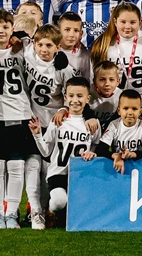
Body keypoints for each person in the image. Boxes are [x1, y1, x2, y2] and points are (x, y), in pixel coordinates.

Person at [0, 9, 37, 230]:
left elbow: (33, 36)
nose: (1, 31)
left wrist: (20, 36)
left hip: (20, 115)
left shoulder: (23, 48)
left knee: (16, 167)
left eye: (5, 27)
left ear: (12, 29)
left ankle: (12, 213)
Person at [23, 23, 75, 228]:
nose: (44, 49)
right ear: (34, 44)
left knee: (47, 171)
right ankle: (35, 211)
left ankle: (46, 210)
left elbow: (73, 94)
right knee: (32, 166)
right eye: (40, 45)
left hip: (53, 124)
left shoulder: (64, 69)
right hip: (31, 120)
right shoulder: (28, 53)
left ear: (58, 47)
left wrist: (64, 108)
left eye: (49, 45)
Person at [29, 76, 95, 229]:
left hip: (80, 174)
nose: (75, 100)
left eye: (80, 96)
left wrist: (92, 153)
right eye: (71, 96)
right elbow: (45, 151)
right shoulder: (58, 121)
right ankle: (50, 211)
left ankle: (60, 216)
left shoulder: (92, 124)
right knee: (59, 201)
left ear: (88, 99)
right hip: (58, 173)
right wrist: (37, 134)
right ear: (65, 97)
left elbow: (97, 144)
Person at [91, 2, 142, 102]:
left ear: (140, 22)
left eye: (133, 22)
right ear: (115, 22)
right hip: (111, 103)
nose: (128, 26)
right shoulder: (103, 44)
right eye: (123, 22)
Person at [90, 89, 142, 174]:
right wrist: (116, 156)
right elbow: (101, 149)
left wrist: (133, 154)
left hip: (140, 167)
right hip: (118, 166)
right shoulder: (114, 125)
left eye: (134, 109)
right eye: (126, 108)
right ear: (119, 111)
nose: (130, 112)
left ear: (140, 112)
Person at [57, 11, 92, 78]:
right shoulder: (50, 50)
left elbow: (87, 81)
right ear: (58, 31)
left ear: (81, 34)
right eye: (67, 30)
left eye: (76, 31)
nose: (71, 35)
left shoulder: (85, 56)